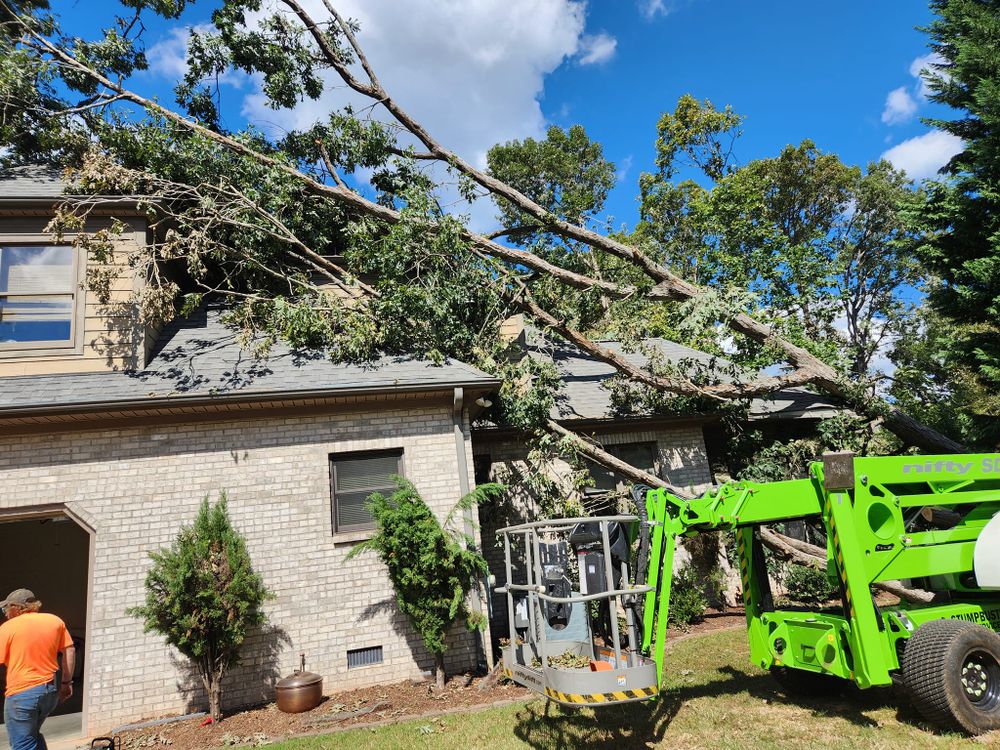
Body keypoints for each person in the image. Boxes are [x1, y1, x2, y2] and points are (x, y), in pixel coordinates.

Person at [0, 589, 75, 750]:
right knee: (31, 736)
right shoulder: (54, 621)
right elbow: (70, 650)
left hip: (22, 695)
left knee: (22, 744)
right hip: (49, 693)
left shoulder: (8, 628)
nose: (5, 613)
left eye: (6, 608)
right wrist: (66, 683)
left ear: (16, 607)